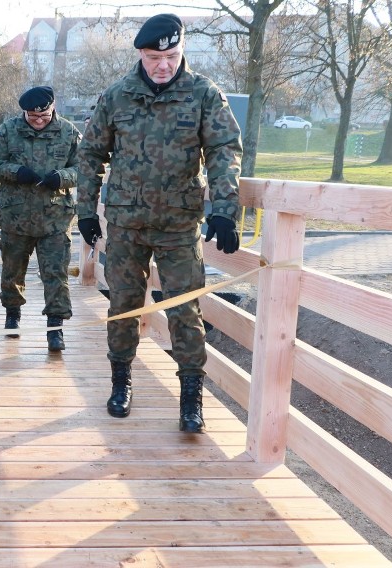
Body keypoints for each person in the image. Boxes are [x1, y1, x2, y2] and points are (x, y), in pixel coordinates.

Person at [76, 14, 242, 430]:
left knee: (185, 310)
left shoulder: (204, 94)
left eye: (170, 55)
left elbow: (224, 150)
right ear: (141, 55)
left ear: (182, 50)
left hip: (179, 224)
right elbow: (90, 155)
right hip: (127, 224)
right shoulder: (117, 96)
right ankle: (121, 383)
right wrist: (84, 210)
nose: (163, 65)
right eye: (154, 57)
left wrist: (224, 208)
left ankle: (190, 399)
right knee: (123, 306)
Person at [0, 86, 81, 352]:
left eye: (44, 116)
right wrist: (16, 172)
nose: (38, 120)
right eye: (32, 116)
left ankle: (55, 327)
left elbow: (85, 166)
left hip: (55, 217)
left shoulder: (69, 132)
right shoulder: (9, 130)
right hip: (17, 216)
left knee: (56, 273)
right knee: (12, 270)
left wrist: (63, 177)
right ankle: (12, 315)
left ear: (53, 108)